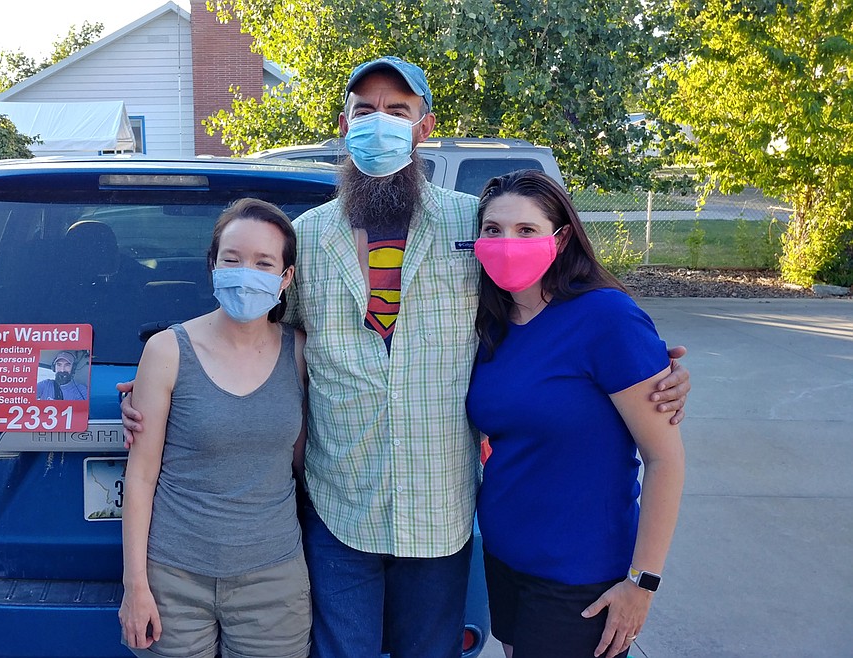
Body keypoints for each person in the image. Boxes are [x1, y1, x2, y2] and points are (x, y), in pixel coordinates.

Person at [121, 56, 691, 658]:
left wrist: (652, 367)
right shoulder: (307, 238)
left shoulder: (472, 225)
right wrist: (170, 379)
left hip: (437, 506)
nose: (379, 122)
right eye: (364, 111)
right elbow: (255, 333)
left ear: (424, 126)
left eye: (397, 111)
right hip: (340, 504)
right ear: (343, 126)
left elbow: (540, 309)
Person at [466, 169, 685, 658]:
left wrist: (642, 582)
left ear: (561, 239)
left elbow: (665, 458)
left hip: (579, 575)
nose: (507, 242)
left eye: (527, 230)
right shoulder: (490, 323)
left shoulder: (607, 318)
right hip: (505, 556)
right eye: (493, 230)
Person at [118, 198, 311, 658]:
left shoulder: (301, 354)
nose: (246, 271)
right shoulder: (167, 351)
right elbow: (141, 478)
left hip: (274, 584)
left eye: (264, 263)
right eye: (232, 259)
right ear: (213, 266)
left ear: (285, 278)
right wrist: (135, 587)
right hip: (174, 581)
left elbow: (303, 464)